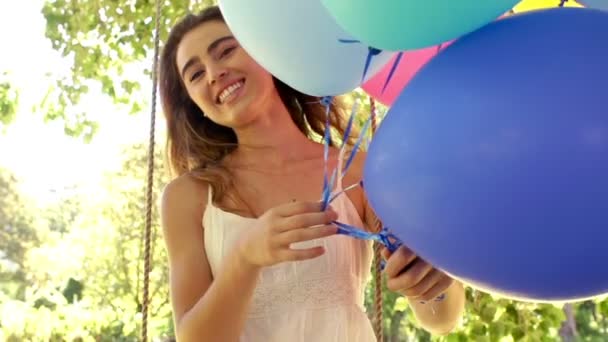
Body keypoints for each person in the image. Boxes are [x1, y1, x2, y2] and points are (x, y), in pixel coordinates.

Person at [159, 5, 465, 342]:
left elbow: (441, 319)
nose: (214, 72)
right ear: (194, 104)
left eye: (226, 50)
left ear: (267, 52)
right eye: (195, 74)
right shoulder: (188, 196)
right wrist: (244, 258)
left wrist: (433, 284)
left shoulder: (359, 170)